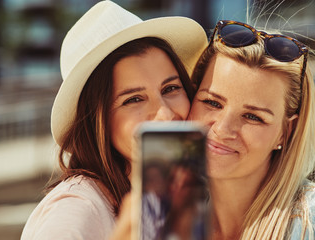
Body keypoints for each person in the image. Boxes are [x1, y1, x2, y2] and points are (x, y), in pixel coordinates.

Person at [20, 1, 207, 240]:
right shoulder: (77, 206)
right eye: (134, 99)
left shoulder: (184, 195)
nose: (165, 114)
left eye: (171, 88)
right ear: (98, 121)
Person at [188, 20, 315, 240]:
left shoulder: (309, 219)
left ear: (286, 131)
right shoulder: (168, 217)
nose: (223, 129)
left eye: (253, 116)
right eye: (212, 102)